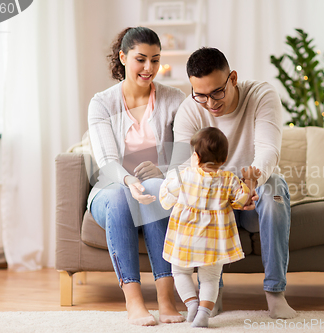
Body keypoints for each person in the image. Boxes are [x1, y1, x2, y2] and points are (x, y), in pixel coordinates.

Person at [170, 47, 297, 320]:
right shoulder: (190, 110)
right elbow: (181, 167)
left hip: (251, 199)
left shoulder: (261, 94)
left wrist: (251, 184)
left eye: (217, 92)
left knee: (274, 189)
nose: (210, 103)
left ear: (233, 78)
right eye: (201, 95)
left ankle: (275, 293)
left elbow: (268, 150)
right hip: (212, 206)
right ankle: (210, 294)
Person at [87, 27, 186, 326]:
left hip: (156, 190)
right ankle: (134, 302)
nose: (149, 68)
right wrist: (129, 181)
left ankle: (166, 300)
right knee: (119, 193)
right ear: (123, 57)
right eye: (140, 59)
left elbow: (184, 157)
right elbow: (106, 162)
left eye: (155, 60)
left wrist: (164, 172)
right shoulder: (102, 103)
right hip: (112, 192)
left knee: (157, 187)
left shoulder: (174, 99)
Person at [160, 127, 258, 328]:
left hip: (185, 239)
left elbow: (166, 199)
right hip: (214, 242)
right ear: (225, 158)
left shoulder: (183, 176)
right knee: (211, 278)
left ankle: (192, 304)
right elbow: (242, 200)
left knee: (179, 272)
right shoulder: (229, 179)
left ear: (195, 157)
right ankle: (204, 312)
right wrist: (248, 182)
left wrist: (167, 181)